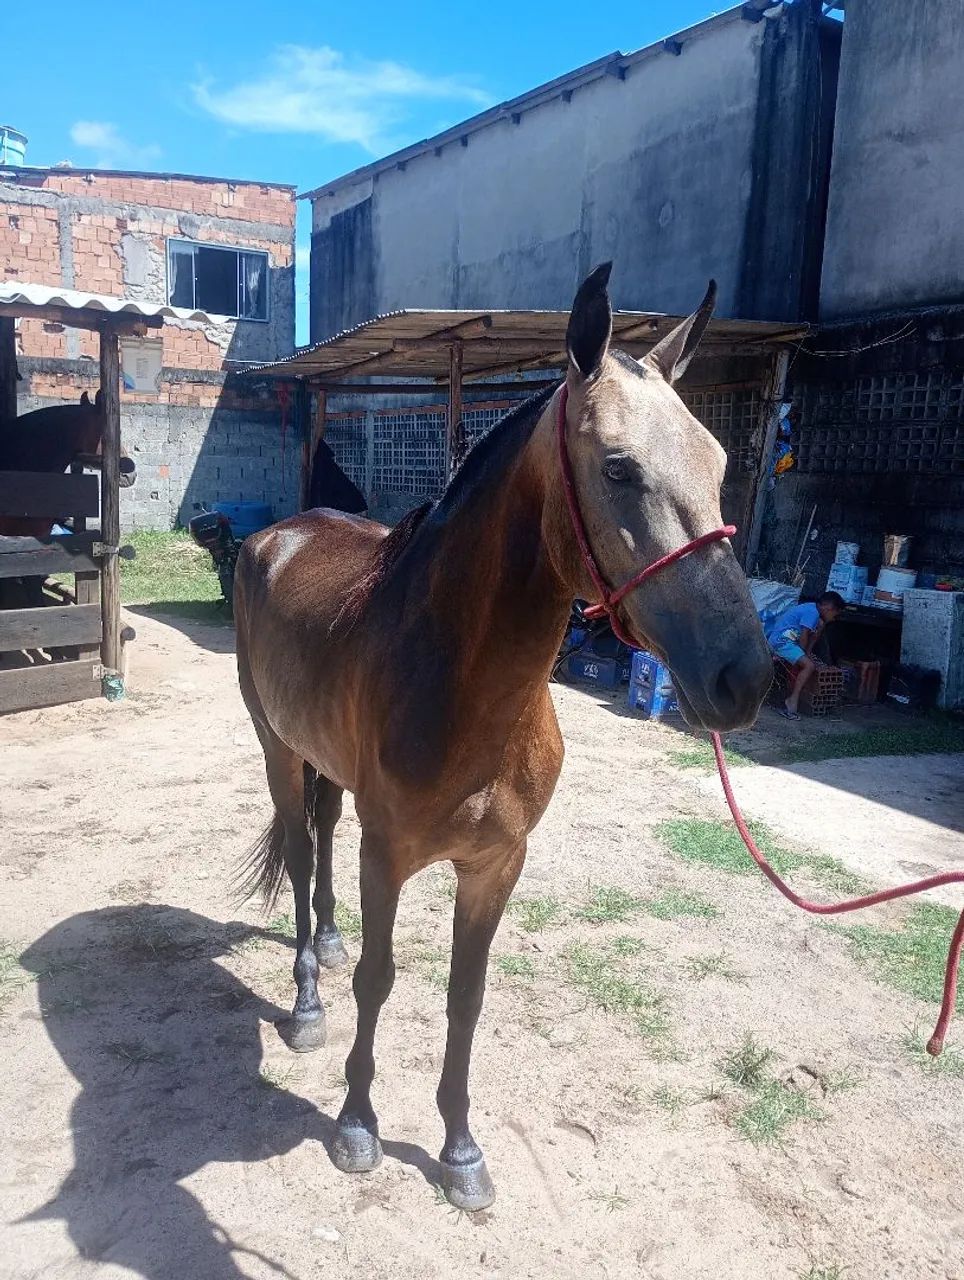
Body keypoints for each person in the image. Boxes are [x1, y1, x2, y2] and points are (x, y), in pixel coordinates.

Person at [766, 591, 845, 720]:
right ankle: (792, 701)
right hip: (781, 642)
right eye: (835, 615)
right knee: (809, 667)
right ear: (828, 608)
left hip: (788, 642)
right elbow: (804, 635)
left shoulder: (814, 613)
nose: (834, 619)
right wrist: (804, 656)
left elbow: (811, 636)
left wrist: (807, 654)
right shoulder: (812, 612)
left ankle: (791, 696)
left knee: (820, 626)